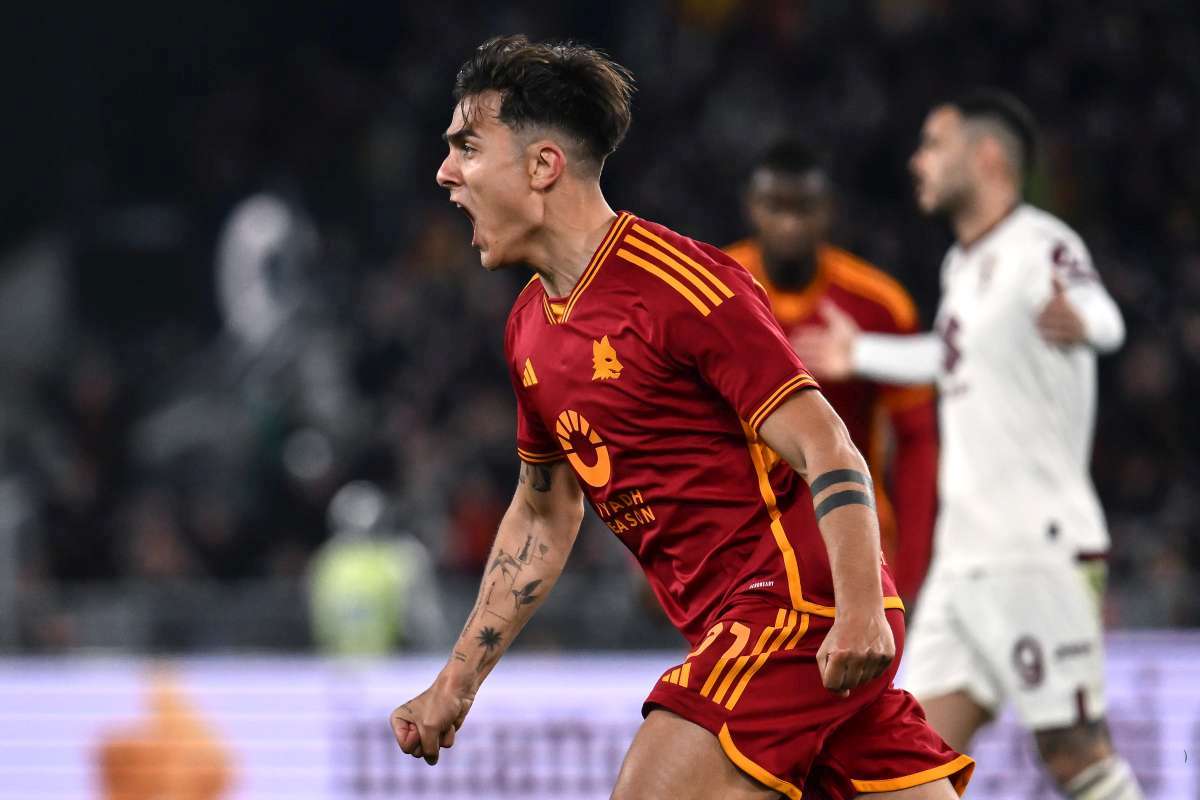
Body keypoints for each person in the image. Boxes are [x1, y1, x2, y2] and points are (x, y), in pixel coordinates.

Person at [389, 35, 973, 800]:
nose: (445, 172)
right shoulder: (529, 327)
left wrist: (862, 609)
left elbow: (828, 446)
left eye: (467, 146)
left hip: (796, 606)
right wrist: (455, 684)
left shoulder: (681, 286)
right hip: (749, 629)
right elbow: (541, 518)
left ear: (542, 166)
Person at [792, 90, 1141, 799]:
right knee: (906, 763)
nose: (918, 161)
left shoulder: (1040, 244)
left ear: (986, 157)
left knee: (1076, 756)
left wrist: (1089, 323)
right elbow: (952, 358)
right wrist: (861, 354)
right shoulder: (962, 265)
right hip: (964, 559)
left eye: (933, 144)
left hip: (1035, 547)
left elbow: (1101, 313)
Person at [726, 143, 938, 604]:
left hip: (854, 544)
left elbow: (917, 441)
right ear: (752, 208)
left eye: (802, 209)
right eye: (776, 207)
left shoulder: (878, 305)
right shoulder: (713, 292)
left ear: (827, 211)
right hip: (742, 549)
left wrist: (912, 570)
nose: (789, 224)